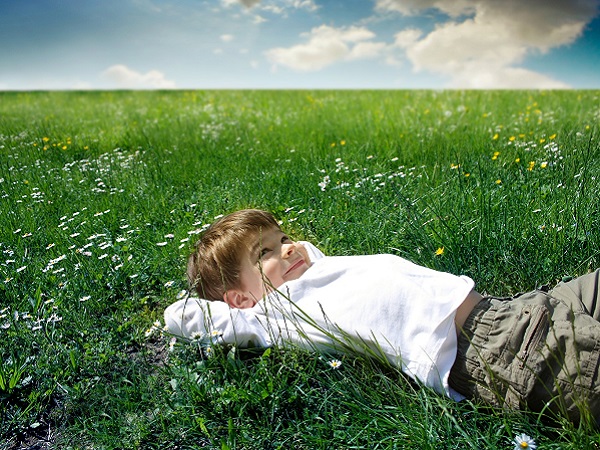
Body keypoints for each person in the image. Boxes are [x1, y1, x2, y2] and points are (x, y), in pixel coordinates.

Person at [167, 209, 600, 425]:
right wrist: (235, 303)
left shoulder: (318, 269)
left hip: (518, 307)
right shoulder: (277, 316)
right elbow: (183, 315)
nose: (289, 248)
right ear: (241, 300)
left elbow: (304, 253)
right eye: (264, 253)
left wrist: (277, 254)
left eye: (284, 238)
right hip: (502, 351)